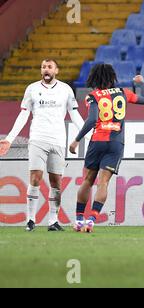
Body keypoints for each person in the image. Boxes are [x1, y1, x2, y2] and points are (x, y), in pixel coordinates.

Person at [0, 59, 86, 232]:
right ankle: (30, 220)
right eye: (43, 67)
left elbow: (74, 115)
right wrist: (9, 138)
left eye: (49, 67)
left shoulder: (65, 90)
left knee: (56, 182)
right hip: (38, 139)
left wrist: (88, 135)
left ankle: (53, 221)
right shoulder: (32, 89)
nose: (46, 69)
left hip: (58, 141)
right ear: (41, 70)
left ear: (56, 70)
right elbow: (23, 115)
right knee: (35, 177)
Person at [69, 63, 144, 233]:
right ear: (112, 77)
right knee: (103, 182)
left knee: (88, 180)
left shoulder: (93, 96)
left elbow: (91, 120)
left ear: (94, 78)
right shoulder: (123, 93)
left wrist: (76, 140)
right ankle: (91, 220)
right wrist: (141, 83)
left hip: (97, 141)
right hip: (116, 143)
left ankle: (78, 220)